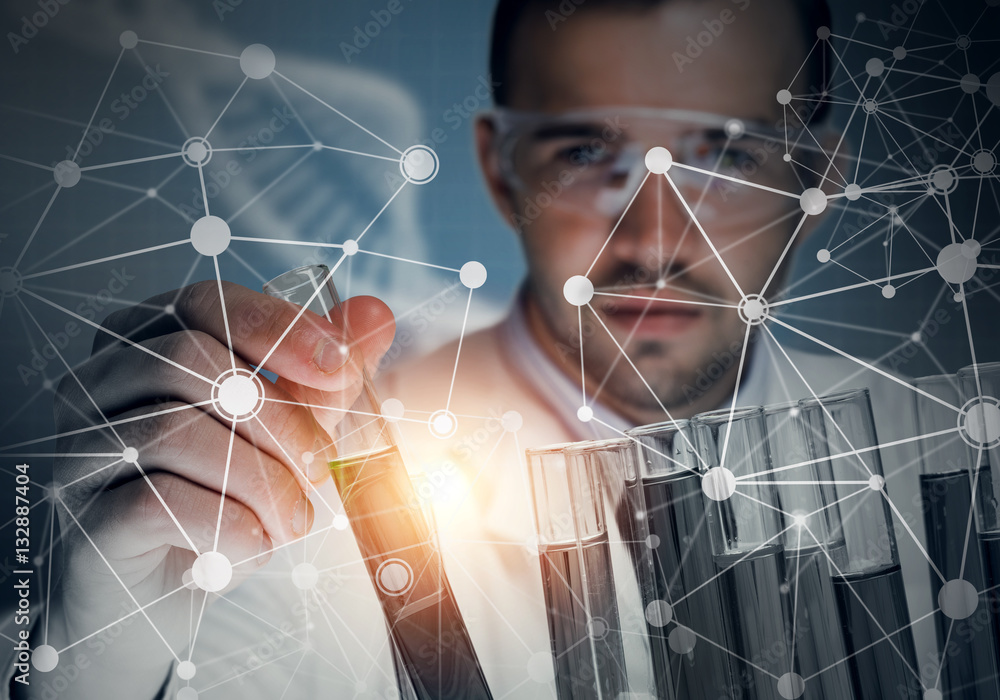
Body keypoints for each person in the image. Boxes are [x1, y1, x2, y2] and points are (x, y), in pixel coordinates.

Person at [6, 0, 933, 698]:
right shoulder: (312, 492)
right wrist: (89, 657)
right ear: (498, 166)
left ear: (817, 178)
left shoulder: (946, 456)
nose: (656, 236)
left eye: (724, 158)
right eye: (586, 153)